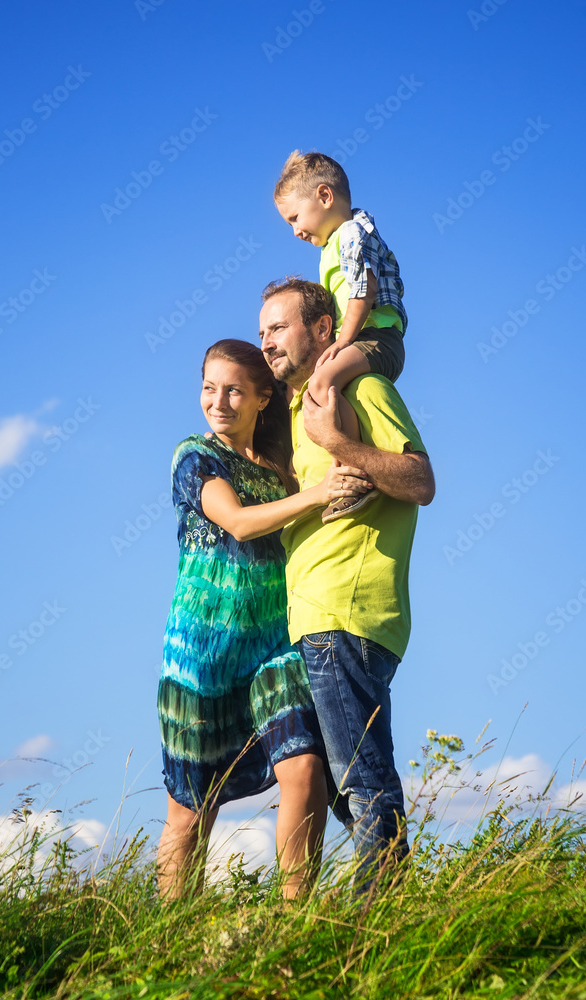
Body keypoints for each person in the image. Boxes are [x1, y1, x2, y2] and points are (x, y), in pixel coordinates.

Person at [157, 338, 370, 900]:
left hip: (275, 647)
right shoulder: (193, 456)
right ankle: (166, 936)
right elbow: (239, 522)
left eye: (233, 390)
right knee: (189, 811)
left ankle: (295, 924)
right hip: (201, 654)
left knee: (305, 770)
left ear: (262, 400)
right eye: (209, 387)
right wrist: (318, 493)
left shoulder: (281, 474)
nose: (218, 400)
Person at [259, 278, 435, 891]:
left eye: (278, 328)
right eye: (262, 333)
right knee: (342, 791)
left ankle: (372, 935)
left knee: (363, 784)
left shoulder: (363, 388)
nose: (267, 342)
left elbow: (419, 481)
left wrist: (337, 443)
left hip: (348, 611)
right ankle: (383, 911)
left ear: (325, 330)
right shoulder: (289, 411)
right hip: (311, 620)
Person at [274, 150, 407, 522]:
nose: (295, 230)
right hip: (361, 336)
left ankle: (352, 477)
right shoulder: (332, 243)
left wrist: (341, 342)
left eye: (295, 218)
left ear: (325, 197)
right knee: (314, 385)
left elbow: (362, 289)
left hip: (376, 336)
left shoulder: (351, 234)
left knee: (324, 379)